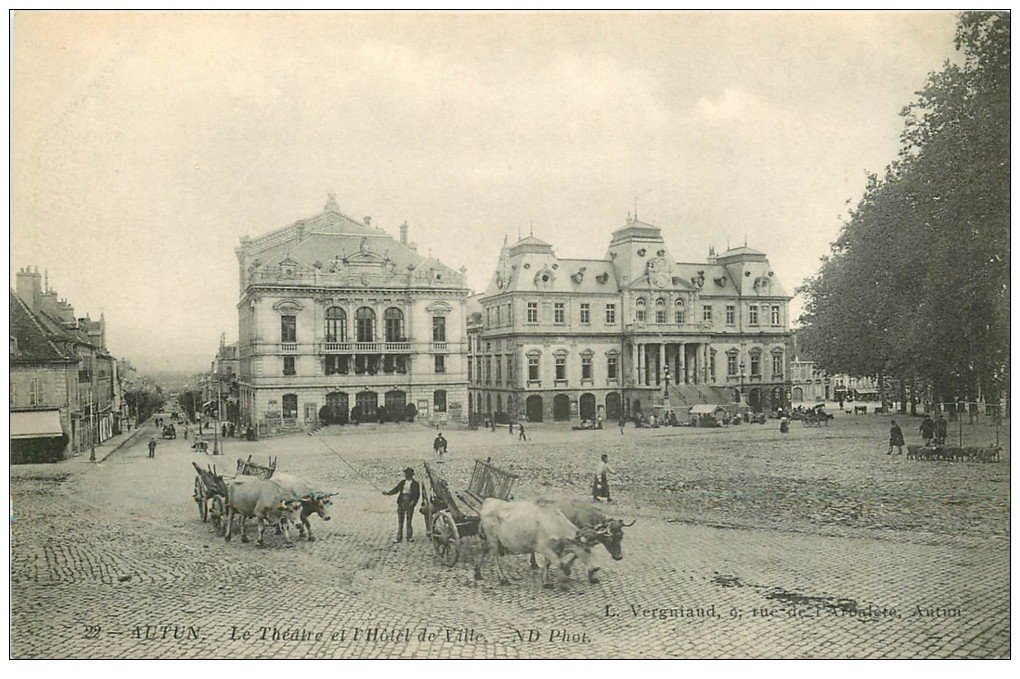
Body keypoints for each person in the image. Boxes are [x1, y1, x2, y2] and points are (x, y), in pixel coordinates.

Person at [382, 467, 420, 543]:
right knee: (400, 521)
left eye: (406, 473)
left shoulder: (415, 484)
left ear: (409, 475)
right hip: (401, 502)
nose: (405, 475)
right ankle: (399, 537)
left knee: (409, 521)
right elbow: (396, 489)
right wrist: (388, 493)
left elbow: (417, 495)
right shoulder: (402, 482)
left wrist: (413, 503)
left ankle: (409, 537)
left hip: (410, 502)